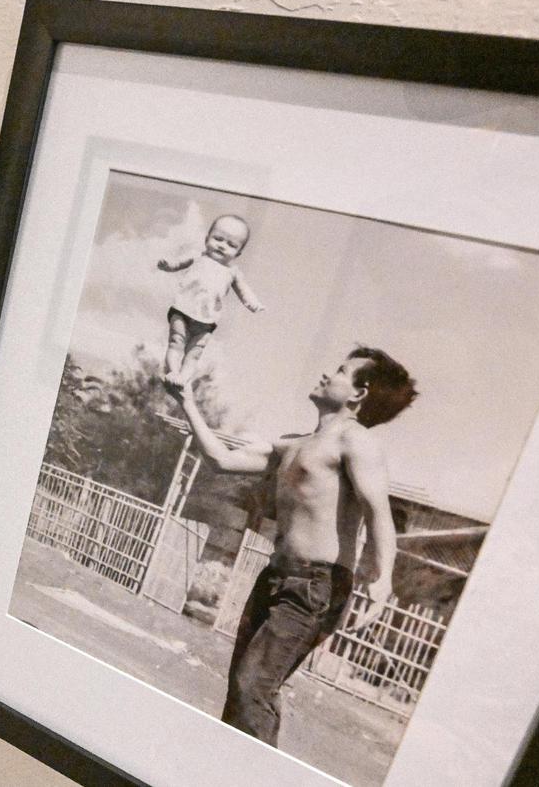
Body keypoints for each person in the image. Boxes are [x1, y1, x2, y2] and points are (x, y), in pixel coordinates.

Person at [166, 346, 417, 747]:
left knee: (254, 688)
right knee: (242, 687)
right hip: (276, 576)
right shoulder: (293, 444)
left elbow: (379, 513)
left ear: (359, 393)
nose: (325, 373)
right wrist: (186, 401)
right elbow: (220, 459)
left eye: (340, 371)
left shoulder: (356, 442)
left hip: (315, 587)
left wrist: (383, 579)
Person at [157, 214, 264, 387]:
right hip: (183, 309)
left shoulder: (232, 272)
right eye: (218, 239)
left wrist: (253, 303)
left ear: (238, 253)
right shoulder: (198, 256)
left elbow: (244, 291)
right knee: (176, 342)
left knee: (194, 353)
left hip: (207, 319)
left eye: (231, 245)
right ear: (207, 238)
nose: (222, 246)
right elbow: (178, 264)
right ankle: (174, 372)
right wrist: (168, 265)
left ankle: (183, 378)